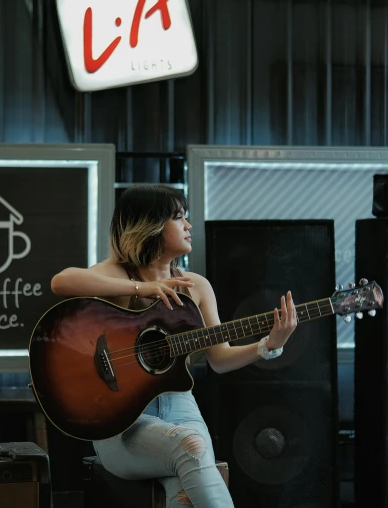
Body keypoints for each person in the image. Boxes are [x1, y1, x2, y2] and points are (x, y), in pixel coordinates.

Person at [50, 184, 298, 508]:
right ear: (149, 225)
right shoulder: (117, 274)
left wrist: (269, 345)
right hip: (122, 418)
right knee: (190, 447)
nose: (188, 226)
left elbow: (220, 359)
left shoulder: (197, 286)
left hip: (181, 410)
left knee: (183, 492)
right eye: (178, 218)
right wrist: (145, 287)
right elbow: (62, 281)